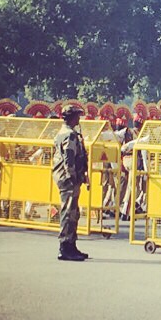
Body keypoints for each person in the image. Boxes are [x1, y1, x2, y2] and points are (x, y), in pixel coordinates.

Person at [52, 104, 90, 261]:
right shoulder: (69, 135)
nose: (79, 118)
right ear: (72, 117)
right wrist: (73, 177)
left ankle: (71, 245)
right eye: (77, 116)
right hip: (68, 179)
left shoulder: (64, 132)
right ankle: (65, 247)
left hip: (66, 177)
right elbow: (69, 160)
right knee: (68, 213)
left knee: (73, 212)